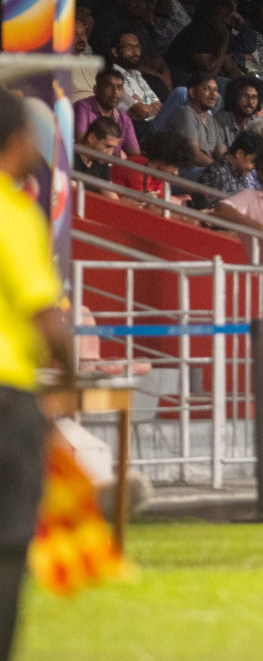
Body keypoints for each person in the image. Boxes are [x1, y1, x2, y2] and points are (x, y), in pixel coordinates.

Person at [0, 92, 74, 661]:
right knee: (8, 542)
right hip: (8, 394)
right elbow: (45, 312)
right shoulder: (14, 212)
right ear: (17, 141)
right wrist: (69, 377)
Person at [74, 70, 139, 157]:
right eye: (109, 86)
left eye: (119, 87)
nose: (115, 92)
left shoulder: (124, 118)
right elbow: (81, 144)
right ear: (96, 89)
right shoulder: (83, 107)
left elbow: (135, 154)